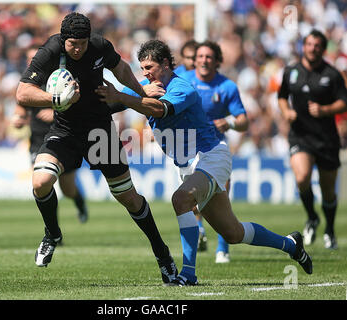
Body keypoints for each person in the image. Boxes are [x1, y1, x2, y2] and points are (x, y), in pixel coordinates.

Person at [96, 39, 313, 286]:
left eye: (149, 67)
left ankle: (187, 274)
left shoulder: (183, 88)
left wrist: (122, 96)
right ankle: (291, 244)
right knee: (233, 233)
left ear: (165, 64)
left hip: (211, 156)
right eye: (142, 68)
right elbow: (113, 102)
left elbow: (159, 110)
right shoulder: (145, 87)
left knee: (181, 200)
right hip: (189, 166)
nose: (144, 74)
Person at [15, 12, 178, 285]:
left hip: (100, 131)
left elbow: (122, 69)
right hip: (65, 131)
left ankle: (162, 255)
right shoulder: (51, 50)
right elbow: (22, 92)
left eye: (82, 43)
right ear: (63, 40)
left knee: (128, 197)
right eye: (72, 44)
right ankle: (52, 234)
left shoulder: (100, 46)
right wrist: (55, 98)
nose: (77, 48)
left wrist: (140, 91)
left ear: (88, 38)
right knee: (41, 181)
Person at [179, 40, 248, 263]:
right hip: (189, 151)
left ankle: (222, 247)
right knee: (192, 200)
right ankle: (199, 232)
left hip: (216, 150)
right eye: (200, 56)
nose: (204, 60)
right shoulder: (185, 81)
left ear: (217, 61)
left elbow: (243, 121)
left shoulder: (227, 86)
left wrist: (228, 122)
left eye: (209, 57)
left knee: (221, 197)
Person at [278, 29, 347, 249]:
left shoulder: (332, 74)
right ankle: (311, 217)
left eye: (317, 45)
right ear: (303, 46)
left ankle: (329, 229)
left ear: (323, 49)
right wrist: (286, 112)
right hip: (300, 136)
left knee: (328, 190)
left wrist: (325, 109)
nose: (312, 48)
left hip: (326, 139)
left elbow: (343, 102)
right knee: (302, 177)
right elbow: (281, 96)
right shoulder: (291, 71)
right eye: (309, 44)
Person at [12, 44, 89, 226]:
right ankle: (53, 231)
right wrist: (18, 119)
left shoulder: (58, 77)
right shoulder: (27, 83)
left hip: (61, 137)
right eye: (29, 58)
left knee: (68, 189)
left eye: (34, 57)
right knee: (43, 184)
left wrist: (54, 112)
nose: (32, 61)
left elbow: (77, 104)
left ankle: (79, 202)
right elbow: (20, 106)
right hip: (38, 141)